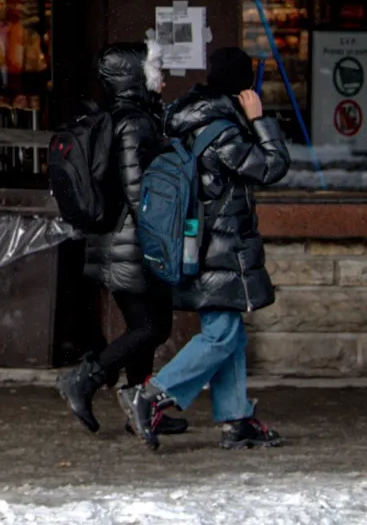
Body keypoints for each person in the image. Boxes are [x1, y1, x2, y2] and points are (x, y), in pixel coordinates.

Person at [123, 46, 291, 452]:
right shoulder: (221, 130)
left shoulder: (194, 117)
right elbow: (271, 167)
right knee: (221, 335)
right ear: (242, 86)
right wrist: (259, 120)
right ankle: (151, 394)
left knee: (229, 334)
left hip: (203, 245)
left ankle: (236, 420)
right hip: (219, 248)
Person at [57, 43, 182, 436]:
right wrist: (161, 239)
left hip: (120, 241)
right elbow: (138, 189)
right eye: (154, 69)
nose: (161, 78)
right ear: (133, 75)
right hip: (131, 243)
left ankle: (140, 410)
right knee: (151, 328)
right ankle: (84, 379)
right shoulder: (135, 123)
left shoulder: (122, 117)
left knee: (146, 328)